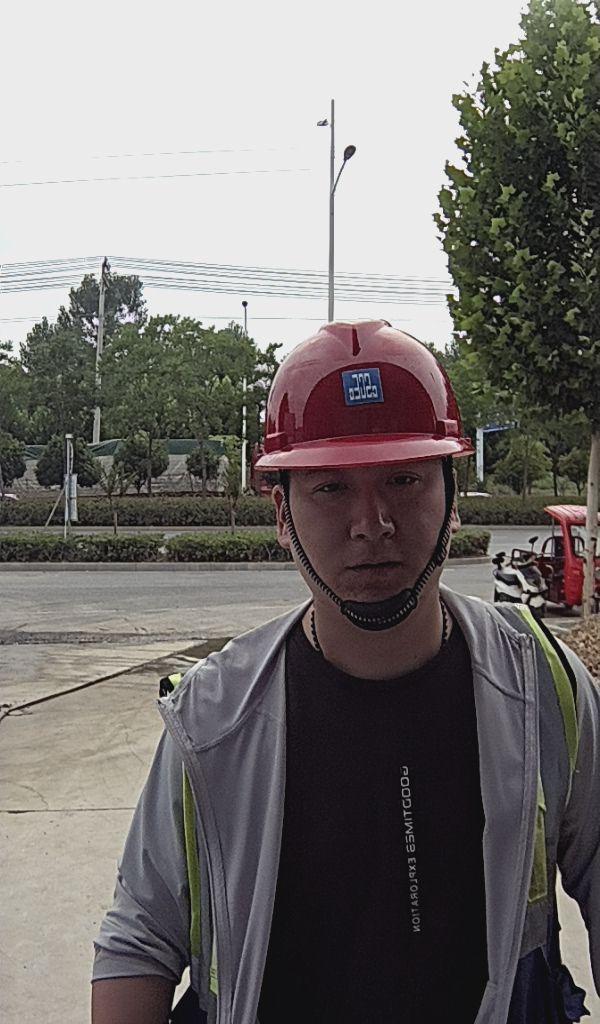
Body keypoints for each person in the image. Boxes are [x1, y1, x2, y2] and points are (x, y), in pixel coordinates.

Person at [91, 320, 600, 1024]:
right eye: (331, 487)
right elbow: (140, 939)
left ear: (452, 498)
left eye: (403, 479)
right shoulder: (213, 719)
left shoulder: (542, 686)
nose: (372, 522)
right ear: (283, 514)